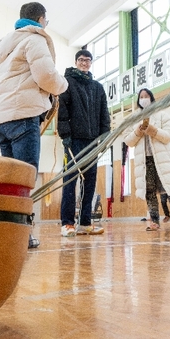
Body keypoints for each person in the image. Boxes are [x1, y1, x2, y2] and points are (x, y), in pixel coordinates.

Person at [0, 2, 68, 249]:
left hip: (1, 120)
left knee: (11, 179)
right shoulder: (34, 39)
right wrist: (63, 86)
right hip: (22, 116)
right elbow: (46, 76)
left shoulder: (4, 44)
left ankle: (7, 231)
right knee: (24, 179)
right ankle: (21, 234)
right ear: (42, 19)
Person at [57, 50, 109, 237]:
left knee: (90, 181)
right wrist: (65, 135)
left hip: (93, 141)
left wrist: (105, 136)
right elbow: (62, 110)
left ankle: (85, 222)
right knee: (70, 181)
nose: (84, 63)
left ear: (91, 63)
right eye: (81, 60)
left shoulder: (97, 87)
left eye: (87, 60)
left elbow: (104, 113)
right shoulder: (67, 83)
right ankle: (67, 223)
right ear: (76, 61)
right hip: (74, 140)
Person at [124, 89, 170, 231]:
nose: (143, 99)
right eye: (141, 97)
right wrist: (138, 131)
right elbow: (128, 140)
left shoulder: (162, 115)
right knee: (149, 191)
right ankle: (154, 221)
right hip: (145, 161)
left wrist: (153, 131)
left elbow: (169, 135)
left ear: (152, 98)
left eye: (146, 96)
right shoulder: (133, 119)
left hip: (162, 159)